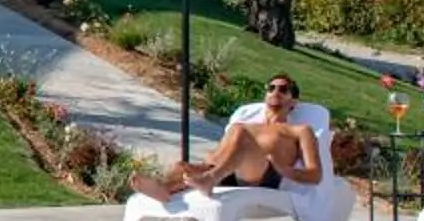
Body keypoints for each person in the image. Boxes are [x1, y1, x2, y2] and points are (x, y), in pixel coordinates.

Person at [132, 75, 322, 204]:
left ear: (294, 101)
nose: (275, 92)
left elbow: (315, 175)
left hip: (263, 176)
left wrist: (285, 170)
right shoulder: (247, 125)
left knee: (239, 130)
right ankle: (163, 189)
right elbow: (222, 153)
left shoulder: (299, 130)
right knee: (183, 166)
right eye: (271, 88)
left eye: (283, 89)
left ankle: (209, 179)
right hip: (226, 171)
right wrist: (207, 162)